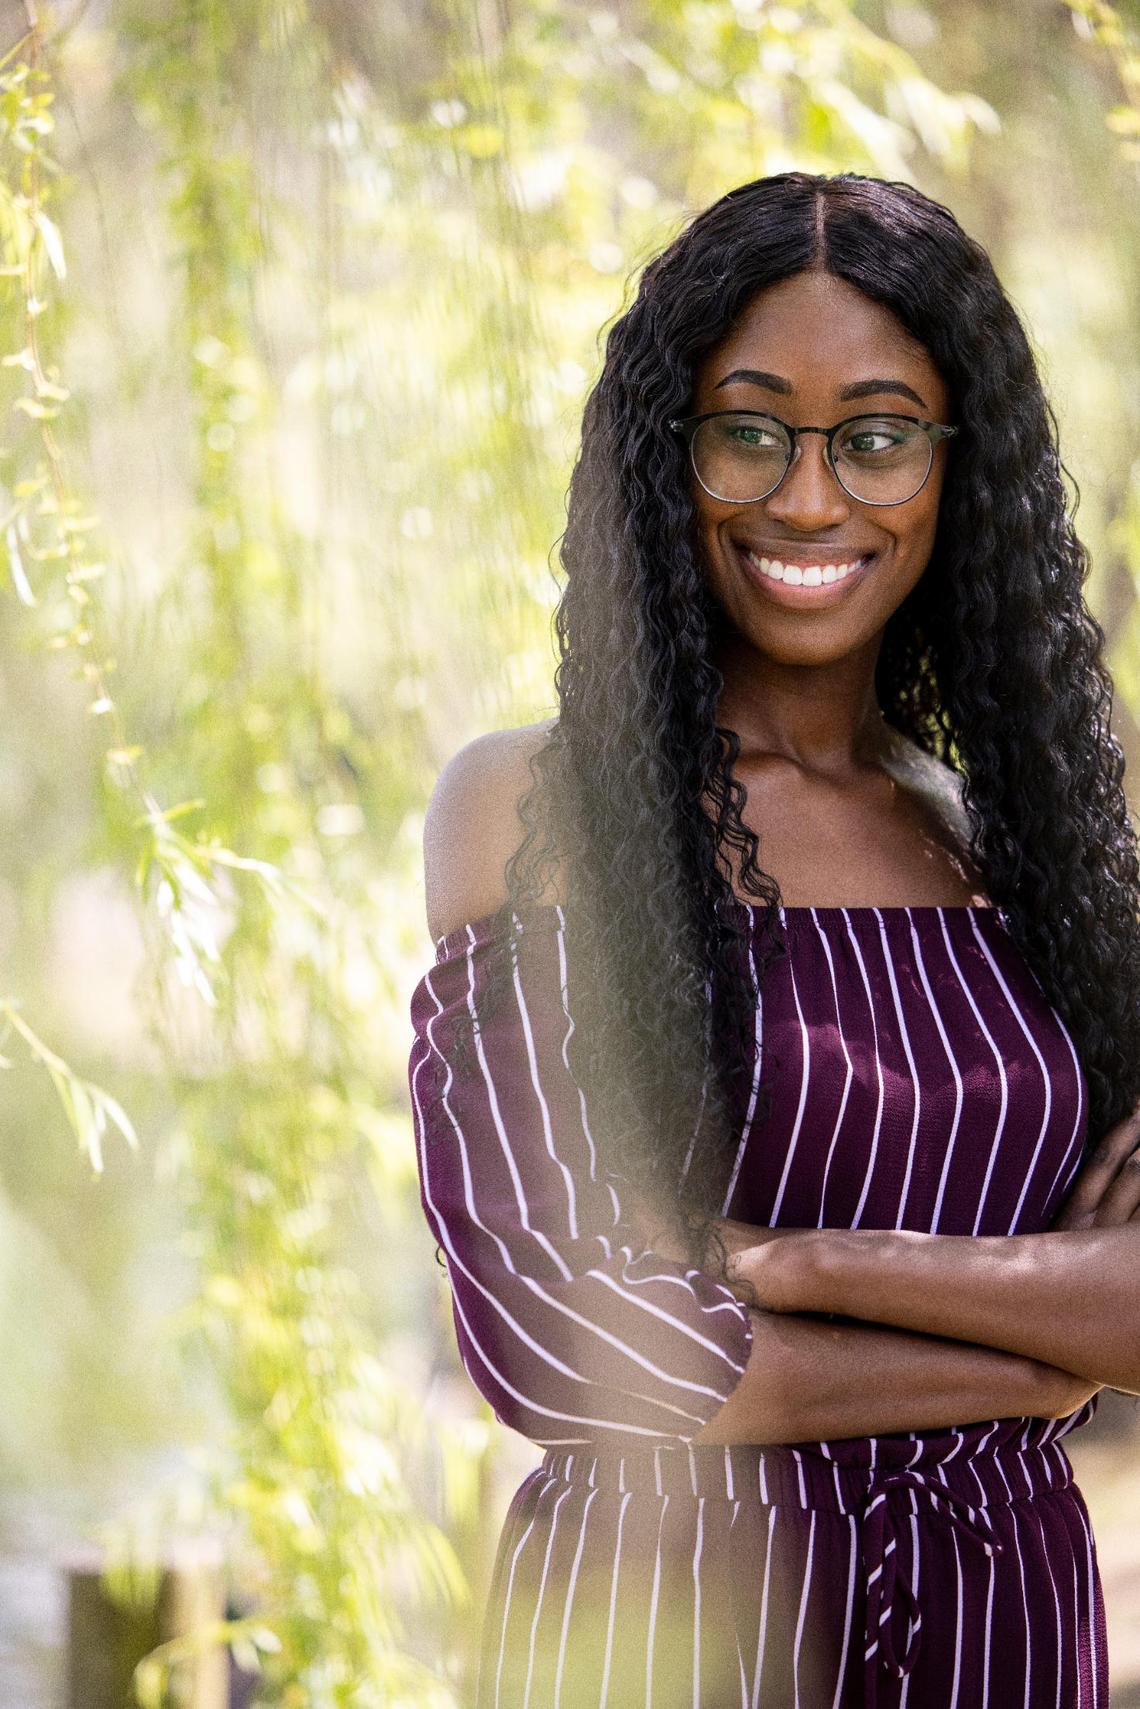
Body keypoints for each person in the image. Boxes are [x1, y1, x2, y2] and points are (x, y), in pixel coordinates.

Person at [407, 171, 1140, 1707]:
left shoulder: (1035, 859)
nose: (811, 499)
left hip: (1001, 1633)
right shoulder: (540, 810)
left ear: (959, 469)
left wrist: (793, 1262)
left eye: (877, 436)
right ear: (668, 460)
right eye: (751, 429)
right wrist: (1039, 1359)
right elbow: (561, 1336)